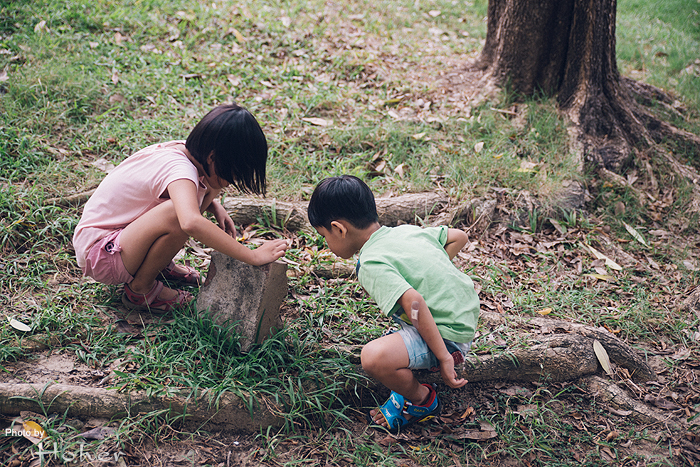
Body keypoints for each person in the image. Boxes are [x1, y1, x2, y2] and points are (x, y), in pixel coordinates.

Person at [73, 104, 288, 312]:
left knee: (202, 194)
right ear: (213, 157)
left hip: (114, 242)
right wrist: (252, 256)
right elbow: (190, 222)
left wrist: (213, 205)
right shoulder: (180, 169)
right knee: (181, 215)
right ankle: (141, 291)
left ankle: (157, 265)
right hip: (101, 254)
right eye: (232, 174)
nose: (231, 182)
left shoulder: (186, 152)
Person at [307, 175, 479, 434]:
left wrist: (444, 357)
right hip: (464, 316)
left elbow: (415, 302)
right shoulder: (405, 232)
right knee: (394, 337)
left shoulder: (371, 263)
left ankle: (422, 399)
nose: (326, 244)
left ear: (339, 229)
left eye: (324, 236)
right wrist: (431, 271)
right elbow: (459, 236)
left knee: (374, 357)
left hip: (448, 337)